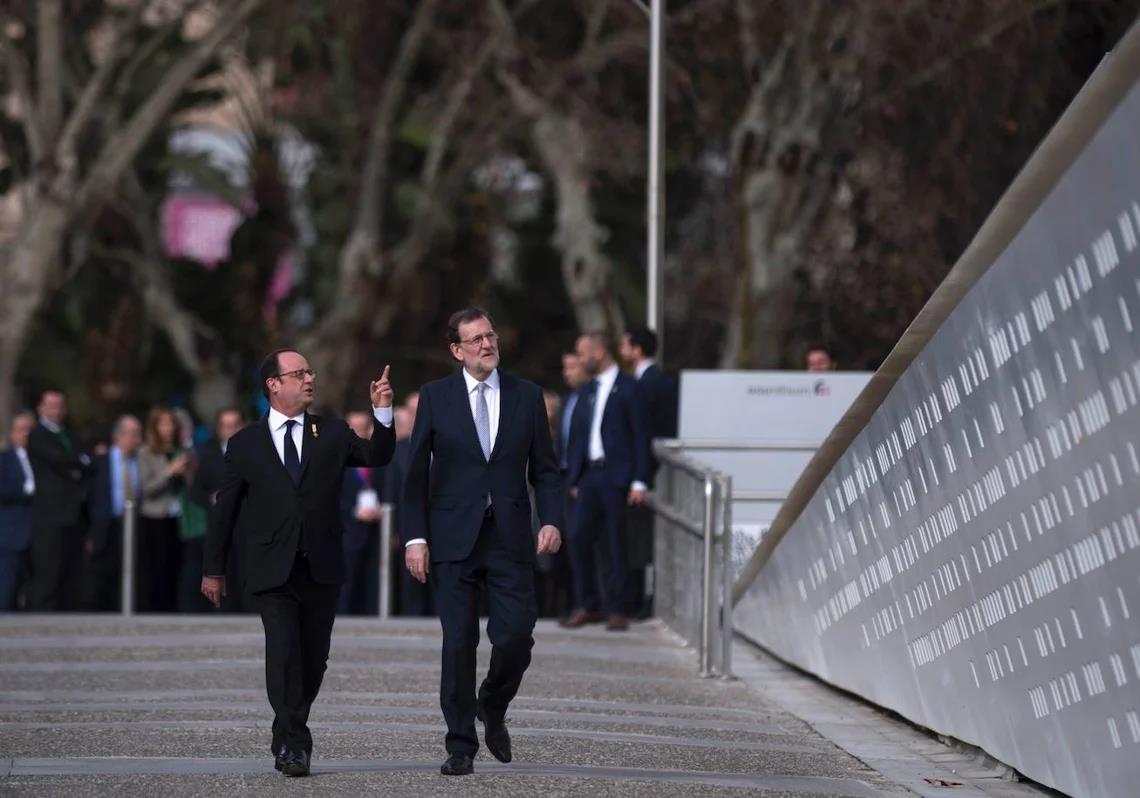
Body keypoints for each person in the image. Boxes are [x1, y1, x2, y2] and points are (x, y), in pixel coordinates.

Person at [202, 349, 395, 778]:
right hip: (271, 567)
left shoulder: (331, 432)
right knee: (284, 650)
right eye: (299, 373)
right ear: (274, 384)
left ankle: (285, 728)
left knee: (313, 658)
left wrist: (383, 410)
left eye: (311, 371)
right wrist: (212, 569)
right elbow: (225, 510)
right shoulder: (246, 442)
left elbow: (376, 456)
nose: (310, 378)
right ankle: (294, 743)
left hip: (321, 564)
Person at [402, 308, 563, 776]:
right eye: (474, 340)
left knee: (515, 636)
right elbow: (414, 477)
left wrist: (550, 519)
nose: (486, 344)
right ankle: (460, 745)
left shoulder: (527, 396)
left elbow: (547, 470)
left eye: (490, 335)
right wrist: (415, 538)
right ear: (456, 350)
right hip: (452, 538)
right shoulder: (435, 397)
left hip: (510, 535)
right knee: (458, 642)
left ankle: (491, 703)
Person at [562, 332, 650, 632]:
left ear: (598, 352)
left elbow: (640, 436)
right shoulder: (587, 390)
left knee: (615, 543)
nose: (580, 359)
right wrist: (574, 476)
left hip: (617, 476)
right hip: (589, 476)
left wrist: (640, 480)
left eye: (583, 352)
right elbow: (577, 436)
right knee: (577, 538)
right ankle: (588, 603)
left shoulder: (629, 388)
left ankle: (618, 608)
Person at [619, 326, 679, 616]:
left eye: (625, 344)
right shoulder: (656, 381)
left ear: (637, 348)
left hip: (650, 472)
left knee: (646, 540)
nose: (622, 350)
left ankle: (644, 601)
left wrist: (640, 476)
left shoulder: (647, 384)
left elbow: (643, 432)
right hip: (651, 471)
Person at [27, 389, 93, 611]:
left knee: (70, 570)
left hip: (72, 514)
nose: (56, 410)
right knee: (48, 571)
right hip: (49, 515)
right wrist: (77, 462)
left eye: (59, 406)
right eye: (51, 405)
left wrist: (77, 463)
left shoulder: (70, 435)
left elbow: (86, 461)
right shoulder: (37, 435)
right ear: (41, 408)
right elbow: (61, 460)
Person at [184, 407, 246, 612]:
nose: (231, 431)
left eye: (235, 426)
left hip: (247, 525)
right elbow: (195, 491)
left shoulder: (254, 455)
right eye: (226, 426)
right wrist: (211, 499)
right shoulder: (209, 458)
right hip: (220, 525)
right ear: (219, 429)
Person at [84, 415, 143, 611]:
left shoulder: (139, 461)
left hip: (131, 525)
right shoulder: (100, 462)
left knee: (125, 574)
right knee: (99, 577)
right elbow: (88, 497)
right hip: (105, 525)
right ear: (119, 437)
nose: (137, 439)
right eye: (133, 434)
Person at [137, 407, 192, 612]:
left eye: (171, 424)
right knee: (156, 568)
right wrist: (169, 471)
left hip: (178, 517)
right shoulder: (146, 452)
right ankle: (154, 610)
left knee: (176, 566)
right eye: (163, 424)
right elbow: (147, 488)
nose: (168, 428)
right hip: (154, 517)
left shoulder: (181, 451)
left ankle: (174, 607)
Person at [387, 392, 433, 616]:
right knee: (412, 584)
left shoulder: (445, 444)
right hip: (408, 528)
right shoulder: (398, 449)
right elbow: (392, 492)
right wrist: (393, 529)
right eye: (414, 412)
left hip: (444, 525)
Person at [337, 410, 385, 615]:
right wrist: (353, 511)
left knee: (374, 583)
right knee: (347, 585)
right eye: (353, 429)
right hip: (348, 531)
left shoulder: (381, 460)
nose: (359, 433)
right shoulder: (337, 460)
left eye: (363, 428)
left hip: (377, 531)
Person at [0, 412, 36, 610]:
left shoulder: (41, 460)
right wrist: (26, 489)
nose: (26, 435)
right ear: (13, 434)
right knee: (7, 591)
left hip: (37, 535)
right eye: (22, 430)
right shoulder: (5, 459)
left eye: (30, 430)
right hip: (11, 536)